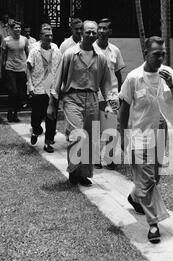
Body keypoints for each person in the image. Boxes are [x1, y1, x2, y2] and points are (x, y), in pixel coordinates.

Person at [119, 36, 173, 244]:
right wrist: (122, 135)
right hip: (140, 134)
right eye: (156, 54)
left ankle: (134, 196)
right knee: (147, 179)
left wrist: (172, 84)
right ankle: (154, 224)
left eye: (162, 54)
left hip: (161, 133)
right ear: (146, 54)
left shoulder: (169, 74)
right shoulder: (133, 77)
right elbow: (124, 109)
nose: (160, 58)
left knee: (153, 177)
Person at [48, 20, 112, 187]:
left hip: (92, 99)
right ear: (81, 33)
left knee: (90, 139)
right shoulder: (70, 54)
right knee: (77, 135)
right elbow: (58, 79)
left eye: (94, 32)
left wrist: (108, 103)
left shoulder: (101, 58)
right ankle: (73, 171)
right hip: (72, 99)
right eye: (88, 32)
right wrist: (52, 103)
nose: (91, 35)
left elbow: (106, 82)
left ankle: (83, 174)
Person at [93, 18, 125, 170]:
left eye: (105, 28)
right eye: (99, 28)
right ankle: (95, 157)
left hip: (112, 94)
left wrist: (120, 93)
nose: (101, 31)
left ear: (110, 31)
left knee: (112, 126)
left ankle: (110, 157)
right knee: (97, 126)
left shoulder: (115, 50)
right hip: (95, 93)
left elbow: (118, 74)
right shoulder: (91, 49)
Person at [26, 27, 61, 153]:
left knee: (51, 117)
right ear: (41, 36)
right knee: (36, 116)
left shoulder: (56, 49)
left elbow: (59, 67)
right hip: (38, 87)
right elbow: (28, 69)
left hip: (51, 88)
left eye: (51, 35)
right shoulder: (34, 50)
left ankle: (48, 142)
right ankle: (36, 130)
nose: (50, 38)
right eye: (47, 35)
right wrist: (30, 85)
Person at [0, 21, 29, 122]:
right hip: (10, 69)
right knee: (13, 91)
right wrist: (0, 69)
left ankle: (16, 113)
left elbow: (28, 54)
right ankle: (10, 110)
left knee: (20, 93)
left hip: (21, 69)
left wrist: (29, 69)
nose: (18, 29)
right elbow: (2, 56)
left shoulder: (24, 40)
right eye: (16, 28)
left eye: (19, 28)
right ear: (11, 29)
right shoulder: (6, 40)